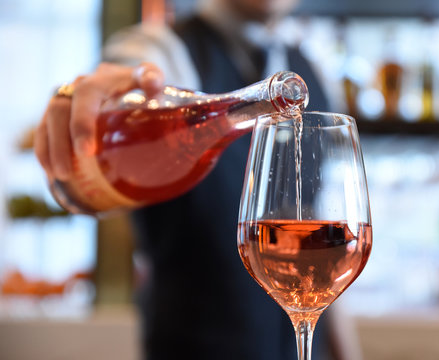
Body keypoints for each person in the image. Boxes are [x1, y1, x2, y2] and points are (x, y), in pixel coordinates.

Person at [35, 0, 345, 359]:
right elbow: (137, 83)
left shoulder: (314, 72)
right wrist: (86, 105)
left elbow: (323, 259)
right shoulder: (165, 49)